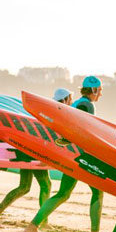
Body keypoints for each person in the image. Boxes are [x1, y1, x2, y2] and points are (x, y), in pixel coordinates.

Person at [24, 77, 105, 232]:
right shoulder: (86, 105)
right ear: (94, 90)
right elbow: (82, 130)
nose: (101, 94)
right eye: (100, 90)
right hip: (80, 156)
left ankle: (33, 226)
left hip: (70, 154)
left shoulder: (78, 103)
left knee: (63, 193)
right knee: (97, 190)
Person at [0, 89, 71, 221]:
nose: (71, 102)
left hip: (27, 150)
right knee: (44, 185)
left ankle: (1, 210)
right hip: (33, 152)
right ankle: (42, 221)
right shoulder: (57, 111)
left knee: (24, 187)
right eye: (70, 99)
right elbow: (46, 135)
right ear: (66, 99)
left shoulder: (49, 108)